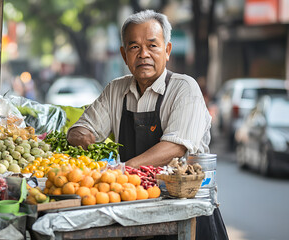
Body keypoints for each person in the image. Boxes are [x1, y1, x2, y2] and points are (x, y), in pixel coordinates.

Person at [67, 9, 228, 240]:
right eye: (134, 47)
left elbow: (175, 147)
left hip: (185, 215)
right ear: (124, 55)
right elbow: (82, 129)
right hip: (135, 210)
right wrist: (84, 138)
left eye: (152, 45)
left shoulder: (185, 88)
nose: (143, 54)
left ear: (167, 50)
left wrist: (123, 169)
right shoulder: (116, 90)